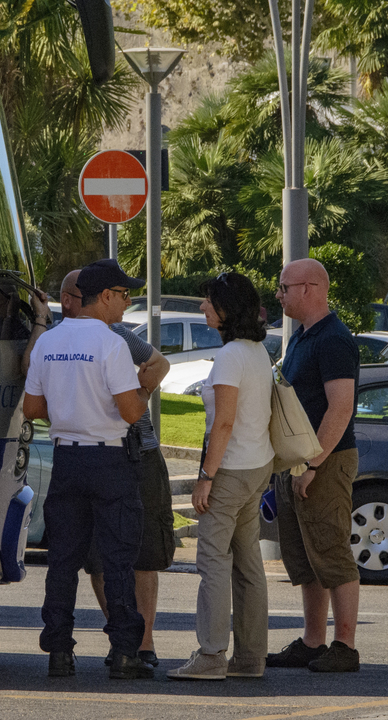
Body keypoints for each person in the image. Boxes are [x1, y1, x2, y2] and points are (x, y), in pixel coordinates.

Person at [22, 258, 155, 680]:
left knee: (63, 558)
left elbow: (32, 408)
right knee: (117, 558)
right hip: (109, 457)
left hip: (67, 456)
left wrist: (69, 414)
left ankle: (59, 651)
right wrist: (145, 387)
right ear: (105, 297)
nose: (127, 304)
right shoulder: (112, 343)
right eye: (124, 295)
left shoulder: (48, 342)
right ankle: (123, 653)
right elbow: (132, 412)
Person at [59, 269, 175, 669]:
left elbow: (159, 364)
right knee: (99, 558)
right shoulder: (57, 338)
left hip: (137, 451)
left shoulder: (120, 337)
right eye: (123, 294)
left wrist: (139, 392)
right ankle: (121, 639)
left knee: (142, 553)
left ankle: (141, 644)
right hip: (100, 457)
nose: (128, 302)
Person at [168, 272, 275, 681]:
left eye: (208, 301)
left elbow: (224, 423)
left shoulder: (231, 356)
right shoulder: (256, 351)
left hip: (230, 470)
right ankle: (250, 658)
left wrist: (205, 477)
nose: (201, 307)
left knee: (213, 562)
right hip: (256, 466)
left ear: (226, 309)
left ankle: (212, 655)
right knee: (248, 564)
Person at [267, 258, 362, 674]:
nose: (279, 294)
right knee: (306, 556)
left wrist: (312, 464)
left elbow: (340, 408)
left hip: (324, 460)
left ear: (308, 288)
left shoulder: (334, 339)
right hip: (299, 462)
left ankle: (345, 645)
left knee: (331, 550)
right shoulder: (304, 337)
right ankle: (313, 640)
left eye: (284, 287)